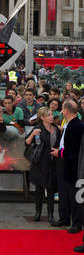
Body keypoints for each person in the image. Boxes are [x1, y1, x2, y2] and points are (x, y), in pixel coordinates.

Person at [51, 99, 84, 233]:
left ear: (67, 110)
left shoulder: (77, 126)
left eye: (62, 108)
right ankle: (64, 218)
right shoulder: (69, 124)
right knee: (63, 191)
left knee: (74, 195)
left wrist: (60, 152)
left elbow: (74, 150)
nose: (61, 111)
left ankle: (76, 223)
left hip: (73, 166)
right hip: (64, 162)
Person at [25, 107, 61, 224]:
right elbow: (27, 142)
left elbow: (60, 143)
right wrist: (33, 135)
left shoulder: (56, 128)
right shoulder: (38, 128)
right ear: (42, 117)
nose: (52, 117)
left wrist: (57, 150)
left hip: (52, 162)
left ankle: (50, 214)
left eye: (51, 115)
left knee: (51, 189)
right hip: (40, 162)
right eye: (49, 115)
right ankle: (38, 212)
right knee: (39, 189)